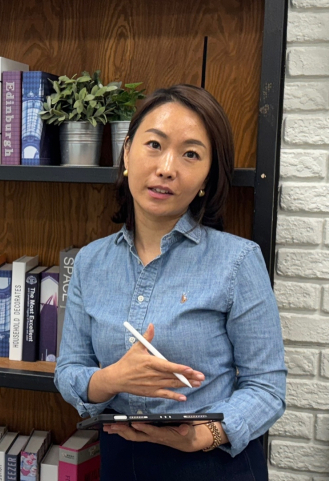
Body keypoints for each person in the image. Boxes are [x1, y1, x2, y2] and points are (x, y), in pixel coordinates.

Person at [53, 84, 286, 481]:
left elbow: (267, 387)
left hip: (213, 462)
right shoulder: (90, 261)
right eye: (154, 145)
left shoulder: (237, 260)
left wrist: (206, 434)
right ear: (127, 151)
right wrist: (111, 379)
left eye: (190, 154)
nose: (166, 168)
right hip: (121, 459)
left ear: (207, 177)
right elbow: (69, 369)